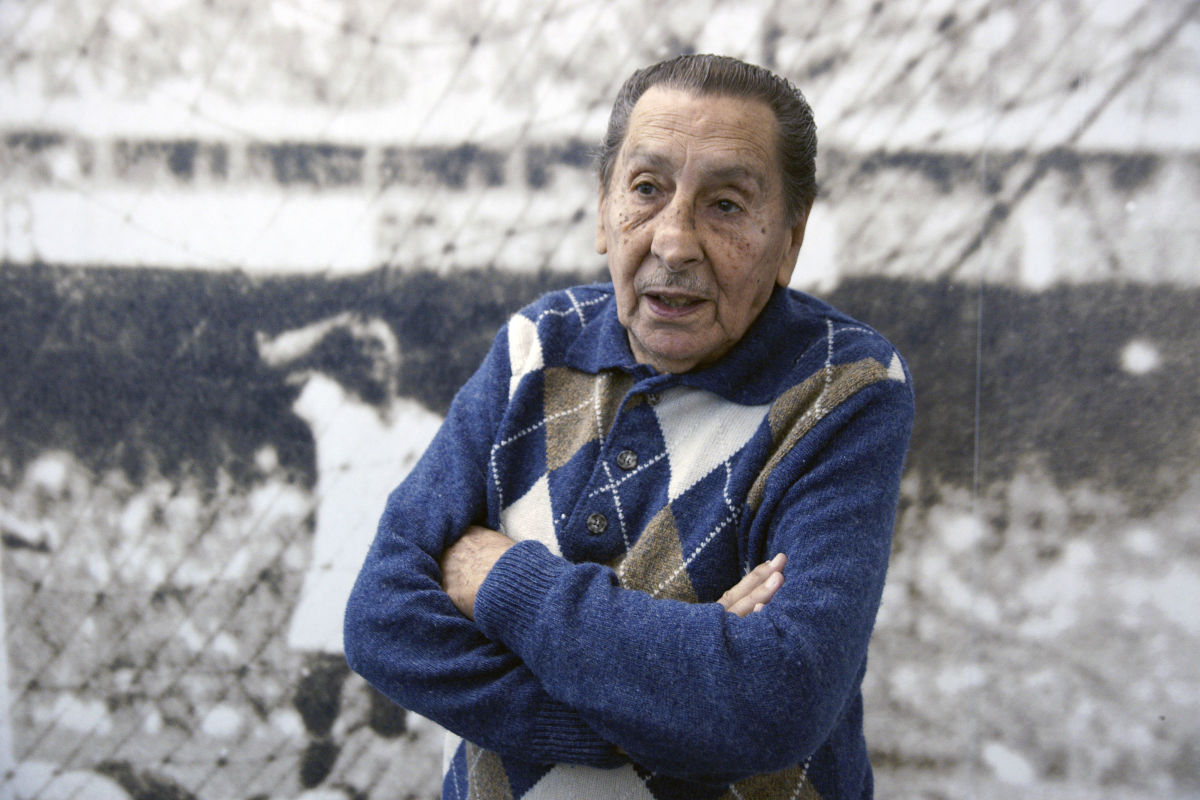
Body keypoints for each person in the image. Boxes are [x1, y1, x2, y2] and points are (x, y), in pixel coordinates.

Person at [344, 54, 914, 800]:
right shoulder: (535, 346)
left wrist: (501, 581)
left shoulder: (846, 386)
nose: (674, 242)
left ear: (790, 241)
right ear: (603, 212)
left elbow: (774, 699)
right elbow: (382, 618)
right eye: (647, 190)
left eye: (727, 205)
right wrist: (670, 706)